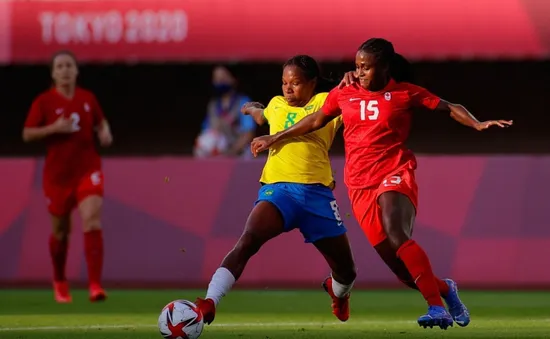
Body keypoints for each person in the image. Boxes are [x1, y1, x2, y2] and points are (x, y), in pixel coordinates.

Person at [250, 38, 513, 330]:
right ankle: (446, 289)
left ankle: (436, 307)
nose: (360, 72)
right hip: (359, 183)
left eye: (366, 67)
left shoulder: (403, 93)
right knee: (401, 270)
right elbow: (314, 121)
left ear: (385, 67)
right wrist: (274, 137)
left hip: (394, 170)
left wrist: (476, 123)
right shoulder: (344, 92)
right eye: (357, 66)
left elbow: (449, 106)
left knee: (396, 233)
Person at [195, 55, 357, 324]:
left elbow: (354, 89)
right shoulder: (277, 104)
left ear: (312, 83)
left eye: (295, 83)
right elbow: (263, 115)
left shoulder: (326, 102)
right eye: (284, 83)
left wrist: (352, 77)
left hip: (318, 195)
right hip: (279, 191)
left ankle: (338, 293)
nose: (288, 89)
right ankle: (210, 301)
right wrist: (251, 109)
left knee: (347, 271)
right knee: (248, 240)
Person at [22, 50, 113, 303]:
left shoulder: (88, 98)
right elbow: (27, 134)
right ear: (53, 73)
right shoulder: (43, 102)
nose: (64, 70)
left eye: (69, 65)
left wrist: (105, 133)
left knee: (92, 219)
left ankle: (95, 285)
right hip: (57, 176)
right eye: (59, 66)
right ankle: (60, 280)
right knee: (60, 232)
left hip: (87, 170)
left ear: (76, 71)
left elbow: (101, 123)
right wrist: (54, 128)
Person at [194, 66, 256, 158]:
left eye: (223, 77)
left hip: (239, 154)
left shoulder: (243, 102)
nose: (219, 81)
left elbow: (248, 133)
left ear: (233, 79)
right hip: (218, 153)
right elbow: (206, 133)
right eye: (216, 78)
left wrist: (230, 153)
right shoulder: (213, 105)